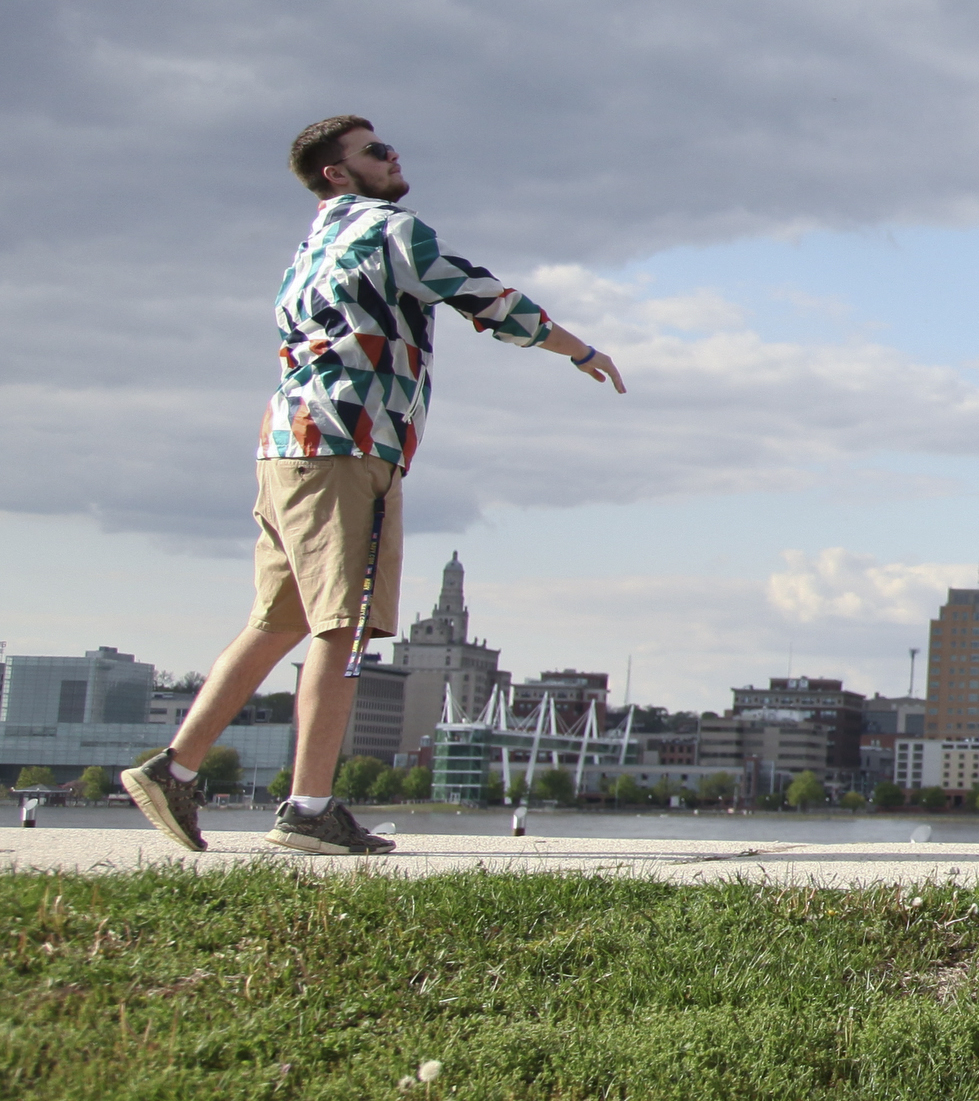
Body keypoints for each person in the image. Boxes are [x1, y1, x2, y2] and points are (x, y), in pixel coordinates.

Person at [120, 118, 624, 856]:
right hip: (351, 443)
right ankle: (309, 807)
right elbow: (479, 294)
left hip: (285, 444)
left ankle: (176, 767)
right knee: (343, 624)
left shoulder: (308, 248)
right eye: (377, 151)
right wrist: (576, 348)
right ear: (339, 172)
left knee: (278, 619)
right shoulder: (389, 228)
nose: (395, 158)